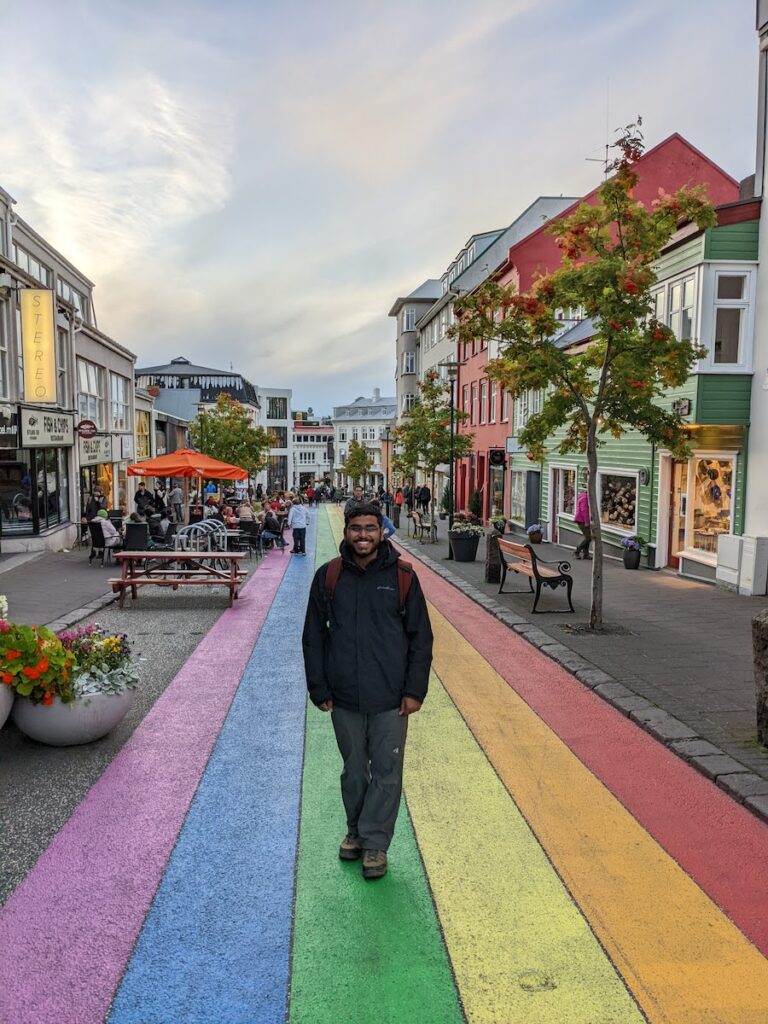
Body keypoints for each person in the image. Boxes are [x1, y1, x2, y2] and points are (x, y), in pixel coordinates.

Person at [302, 503, 433, 881]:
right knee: (355, 771)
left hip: (391, 698)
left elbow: (420, 639)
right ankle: (356, 831)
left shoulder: (403, 577)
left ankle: (376, 844)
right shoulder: (329, 577)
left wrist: (414, 691)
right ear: (346, 531)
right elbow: (313, 637)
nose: (363, 535)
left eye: (370, 529)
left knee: (387, 772)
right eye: (356, 528)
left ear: (382, 531)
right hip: (343, 696)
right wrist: (319, 687)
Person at [574, 473, 592, 560]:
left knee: (587, 537)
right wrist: (587, 521)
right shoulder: (585, 498)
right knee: (588, 537)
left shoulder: (583, 496)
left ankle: (586, 554)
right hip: (582, 520)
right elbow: (584, 511)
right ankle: (577, 551)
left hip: (581, 520)